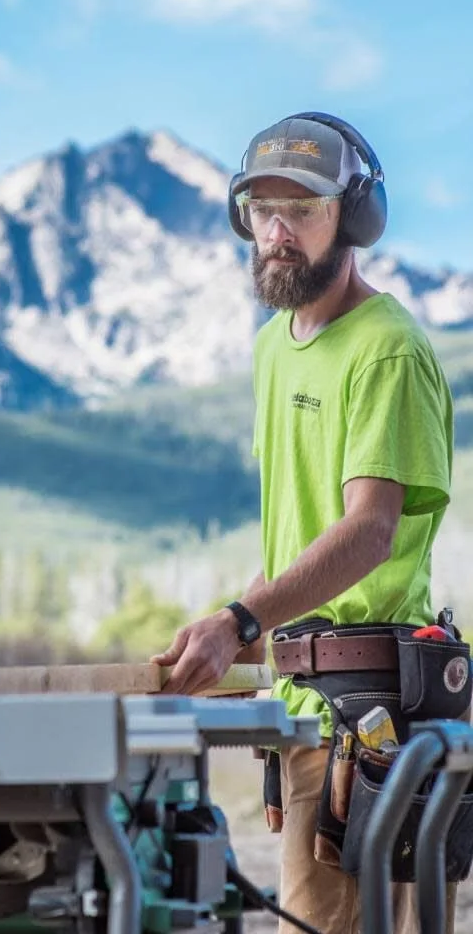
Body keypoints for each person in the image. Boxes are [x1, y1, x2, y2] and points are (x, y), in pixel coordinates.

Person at [151, 112, 461, 934]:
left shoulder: (386, 347)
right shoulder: (271, 349)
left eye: (304, 210)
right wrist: (233, 626)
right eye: (262, 210)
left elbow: (367, 533)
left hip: (369, 720)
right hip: (303, 705)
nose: (278, 233)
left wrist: (245, 618)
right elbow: (303, 537)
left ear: (352, 219)